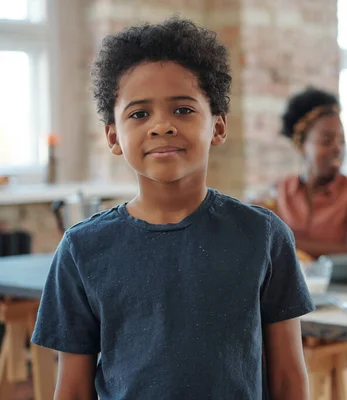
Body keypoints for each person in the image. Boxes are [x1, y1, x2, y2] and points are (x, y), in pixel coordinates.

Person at [31, 17, 313, 400]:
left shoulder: (263, 236)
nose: (161, 126)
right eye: (139, 113)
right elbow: (73, 388)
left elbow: (288, 379)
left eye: (182, 110)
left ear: (217, 126)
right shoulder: (82, 250)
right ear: (114, 136)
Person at [253, 88, 347, 259]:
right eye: (326, 141)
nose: (338, 149)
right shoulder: (280, 191)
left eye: (342, 140)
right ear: (302, 145)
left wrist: (285, 240)